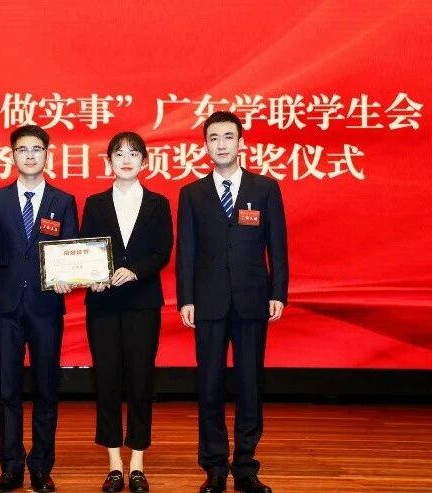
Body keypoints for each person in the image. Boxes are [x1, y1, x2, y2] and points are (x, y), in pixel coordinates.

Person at [176, 111, 288, 493]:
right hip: (207, 302)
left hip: (252, 299)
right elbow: (186, 252)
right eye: (213, 138)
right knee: (209, 386)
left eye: (228, 137)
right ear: (205, 146)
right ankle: (214, 468)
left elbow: (278, 246)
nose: (221, 144)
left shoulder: (265, 188)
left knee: (249, 385)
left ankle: (245, 467)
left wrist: (278, 292)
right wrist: (186, 298)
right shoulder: (192, 194)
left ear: (241, 143)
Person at [0, 125, 78, 493]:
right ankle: (11, 467)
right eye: (23, 149)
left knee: (47, 389)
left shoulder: (63, 201)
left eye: (37, 149)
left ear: (47, 154)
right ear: (13, 155)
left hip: (46, 306)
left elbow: (71, 250)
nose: (30, 155)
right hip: (5, 309)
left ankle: (41, 467)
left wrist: (69, 276)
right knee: (8, 389)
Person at [80, 132, 173, 493]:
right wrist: (93, 277)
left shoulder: (158, 203)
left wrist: (134, 270)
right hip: (103, 305)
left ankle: (137, 462)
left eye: (134, 154)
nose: (126, 160)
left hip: (142, 303)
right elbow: (86, 248)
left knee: (140, 380)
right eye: (119, 154)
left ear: (144, 162)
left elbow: (163, 251)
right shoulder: (95, 203)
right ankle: (114, 464)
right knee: (106, 381)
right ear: (109, 162)